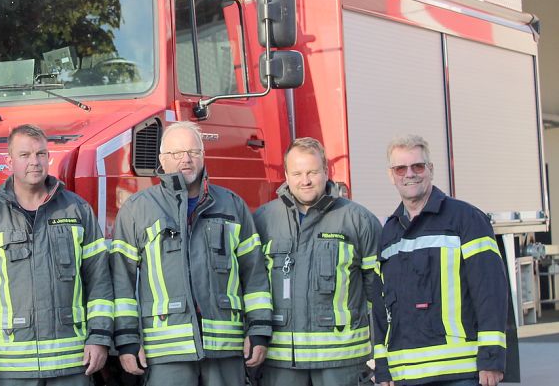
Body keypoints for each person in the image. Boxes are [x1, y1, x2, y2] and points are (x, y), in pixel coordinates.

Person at [111, 121, 272, 386]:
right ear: (162, 159)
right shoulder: (137, 209)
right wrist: (128, 340)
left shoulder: (232, 205)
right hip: (165, 352)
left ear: (203, 156)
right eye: (176, 154)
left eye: (193, 152)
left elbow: (254, 275)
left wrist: (259, 330)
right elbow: (121, 281)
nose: (186, 159)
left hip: (225, 348)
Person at [0, 124, 113, 386]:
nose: (34, 162)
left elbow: (99, 281)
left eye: (40, 154)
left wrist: (99, 337)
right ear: (10, 161)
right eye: (25, 155)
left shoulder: (77, 210)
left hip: (71, 363)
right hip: (11, 368)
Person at [373, 135, 508, 386]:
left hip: (460, 373)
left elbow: (490, 291)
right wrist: (382, 369)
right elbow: (381, 309)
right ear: (391, 176)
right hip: (405, 375)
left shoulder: (466, 219)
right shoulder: (389, 233)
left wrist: (491, 359)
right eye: (400, 168)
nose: (409, 174)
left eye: (418, 166)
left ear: (431, 170)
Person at [252, 137, 381, 386]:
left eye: (312, 172)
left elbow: (377, 293)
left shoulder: (358, 220)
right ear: (286, 175)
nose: (305, 180)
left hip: (343, 365)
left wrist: (381, 354)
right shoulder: (263, 220)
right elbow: (253, 286)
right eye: (297, 173)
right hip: (280, 365)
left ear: (326, 171)